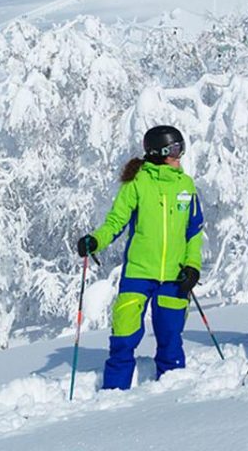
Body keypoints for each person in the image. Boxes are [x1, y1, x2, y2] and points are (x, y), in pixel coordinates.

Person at [77, 125, 205, 390]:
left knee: (170, 337)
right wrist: (95, 241)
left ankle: (172, 392)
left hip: (174, 275)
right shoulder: (137, 182)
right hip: (138, 273)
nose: (181, 154)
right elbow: (116, 222)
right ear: (159, 151)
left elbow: (193, 231)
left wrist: (192, 266)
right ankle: (114, 390)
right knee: (124, 336)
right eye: (176, 149)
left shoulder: (185, 185)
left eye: (182, 147)